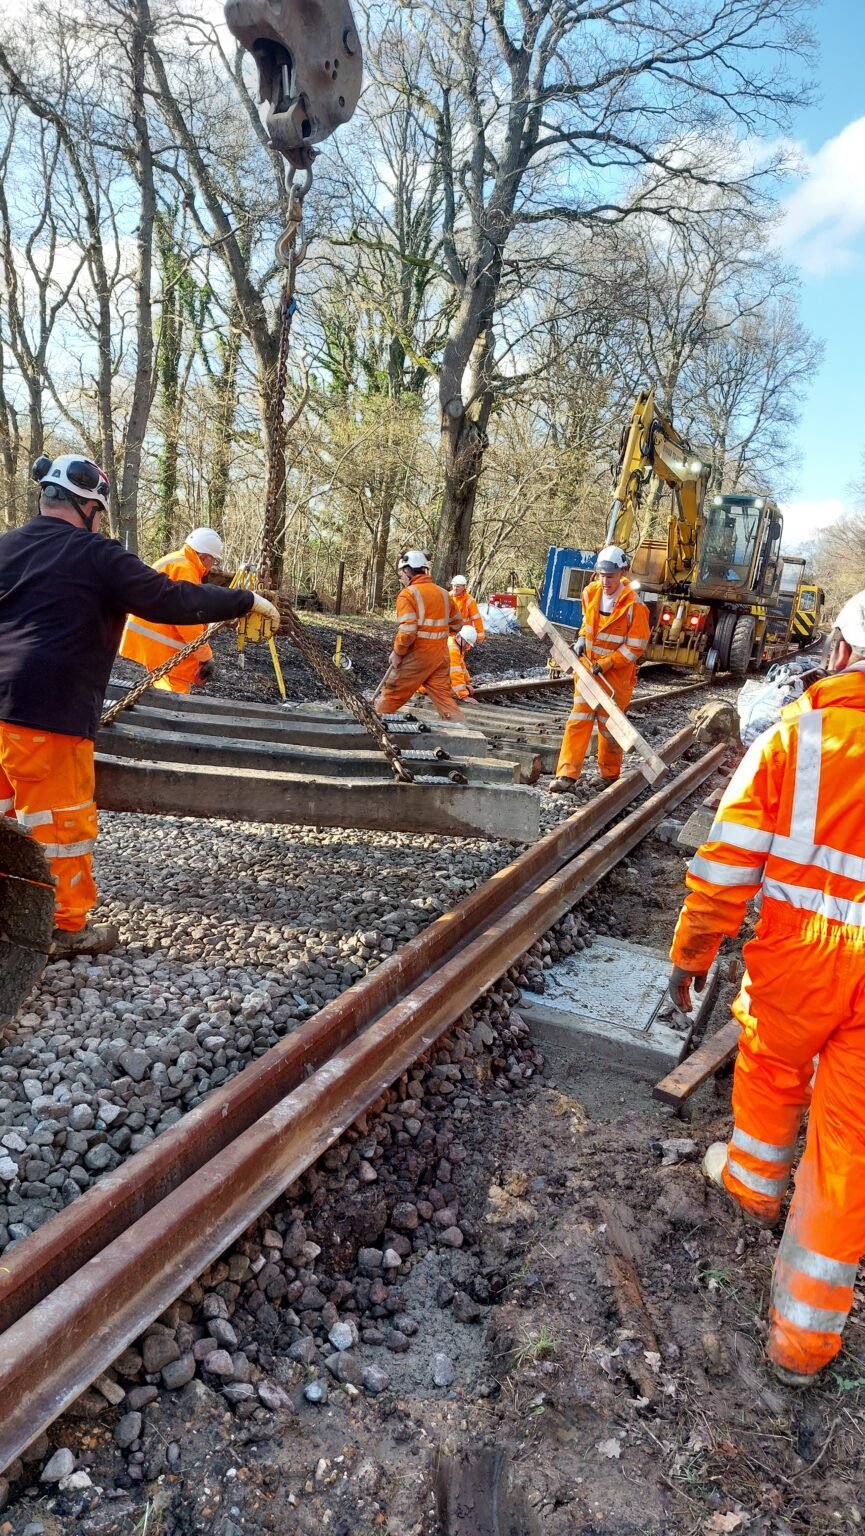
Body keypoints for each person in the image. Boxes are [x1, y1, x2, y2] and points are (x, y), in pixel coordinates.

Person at [668, 589, 865, 1386]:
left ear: (841, 655)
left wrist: (692, 952)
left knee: (774, 1071)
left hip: (801, 959)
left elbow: (725, 866)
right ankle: (802, 1345)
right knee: (849, 1148)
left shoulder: (798, 736)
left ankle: (751, 1190)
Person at [0, 454, 279, 956]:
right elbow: (169, 599)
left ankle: (7, 913)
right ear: (89, 508)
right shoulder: (97, 555)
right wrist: (243, 602)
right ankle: (64, 928)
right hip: (45, 709)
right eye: (101, 513)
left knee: (3, 813)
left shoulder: (6, 547)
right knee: (60, 823)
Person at [549, 545, 650, 794]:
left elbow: (635, 648)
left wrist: (607, 662)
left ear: (622, 573)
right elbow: (587, 623)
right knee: (578, 721)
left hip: (615, 679)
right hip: (588, 672)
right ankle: (566, 774)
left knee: (609, 728)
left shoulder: (634, 607)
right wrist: (582, 637)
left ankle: (609, 774)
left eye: (611, 576)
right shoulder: (590, 592)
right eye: (602, 575)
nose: (605, 581)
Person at [120, 527, 226, 693]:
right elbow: (187, 621)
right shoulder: (185, 570)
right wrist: (205, 657)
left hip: (155, 641)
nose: (213, 566)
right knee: (176, 701)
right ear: (204, 557)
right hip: (163, 647)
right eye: (214, 560)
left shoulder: (177, 561)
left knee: (162, 690)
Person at [375, 549, 463, 721]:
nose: (401, 577)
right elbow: (458, 624)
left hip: (418, 656)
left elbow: (408, 631)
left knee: (392, 693)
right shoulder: (444, 594)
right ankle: (461, 732)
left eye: (401, 573)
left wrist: (398, 653)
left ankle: (374, 730)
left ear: (408, 571)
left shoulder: (407, 594)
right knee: (444, 699)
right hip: (440, 656)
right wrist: (437, 635)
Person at [449, 575, 485, 642]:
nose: (455, 588)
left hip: (463, 634)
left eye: (457, 586)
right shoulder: (448, 597)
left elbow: (477, 619)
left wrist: (480, 636)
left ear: (463, 587)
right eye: (454, 585)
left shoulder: (469, 601)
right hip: (449, 633)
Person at [448, 624, 479, 701]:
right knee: (452, 692)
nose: (467, 647)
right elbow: (455, 673)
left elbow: (462, 668)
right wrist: (463, 695)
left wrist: (467, 683)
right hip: (427, 686)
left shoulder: (454, 644)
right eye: (467, 643)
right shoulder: (453, 650)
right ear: (459, 637)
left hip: (427, 681)